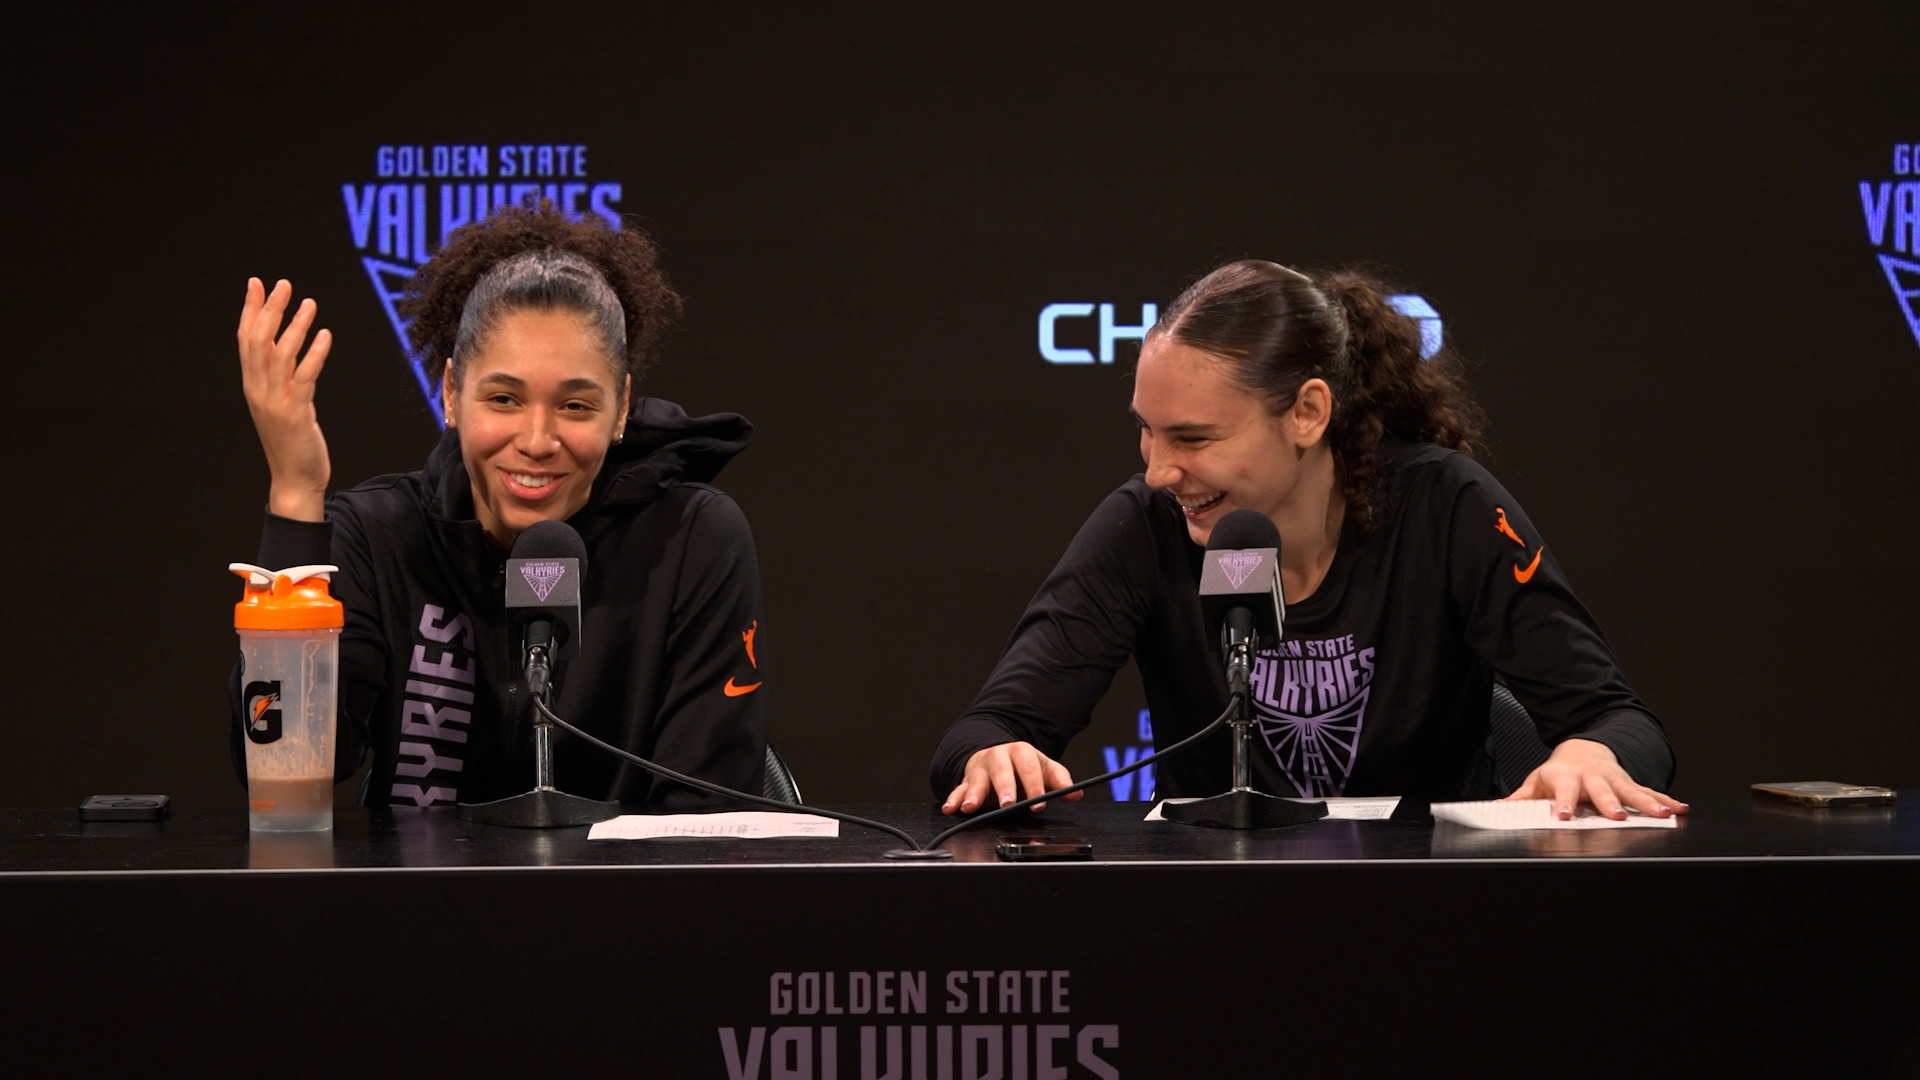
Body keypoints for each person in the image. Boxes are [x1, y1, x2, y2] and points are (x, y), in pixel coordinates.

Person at [931, 260, 1684, 822]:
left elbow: (1621, 723)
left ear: (1307, 413)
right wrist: (996, 755)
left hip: (1431, 910)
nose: (1159, 472)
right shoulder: (1146, 524)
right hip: (1213, 910)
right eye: (1146, 431)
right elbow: (987, 731)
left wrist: (1592, 752)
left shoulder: (1443, 507)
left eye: (1193, 437)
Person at [232, 204, 769, 809]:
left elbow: (708, 824)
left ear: (620, 409)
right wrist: (298, 494)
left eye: (575, 406)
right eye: (505, 398)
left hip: (625, 901)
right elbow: (280, 765)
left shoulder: (692, 539)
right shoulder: (376, 537)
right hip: (420, 903)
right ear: (453, 393)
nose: (537, 441)